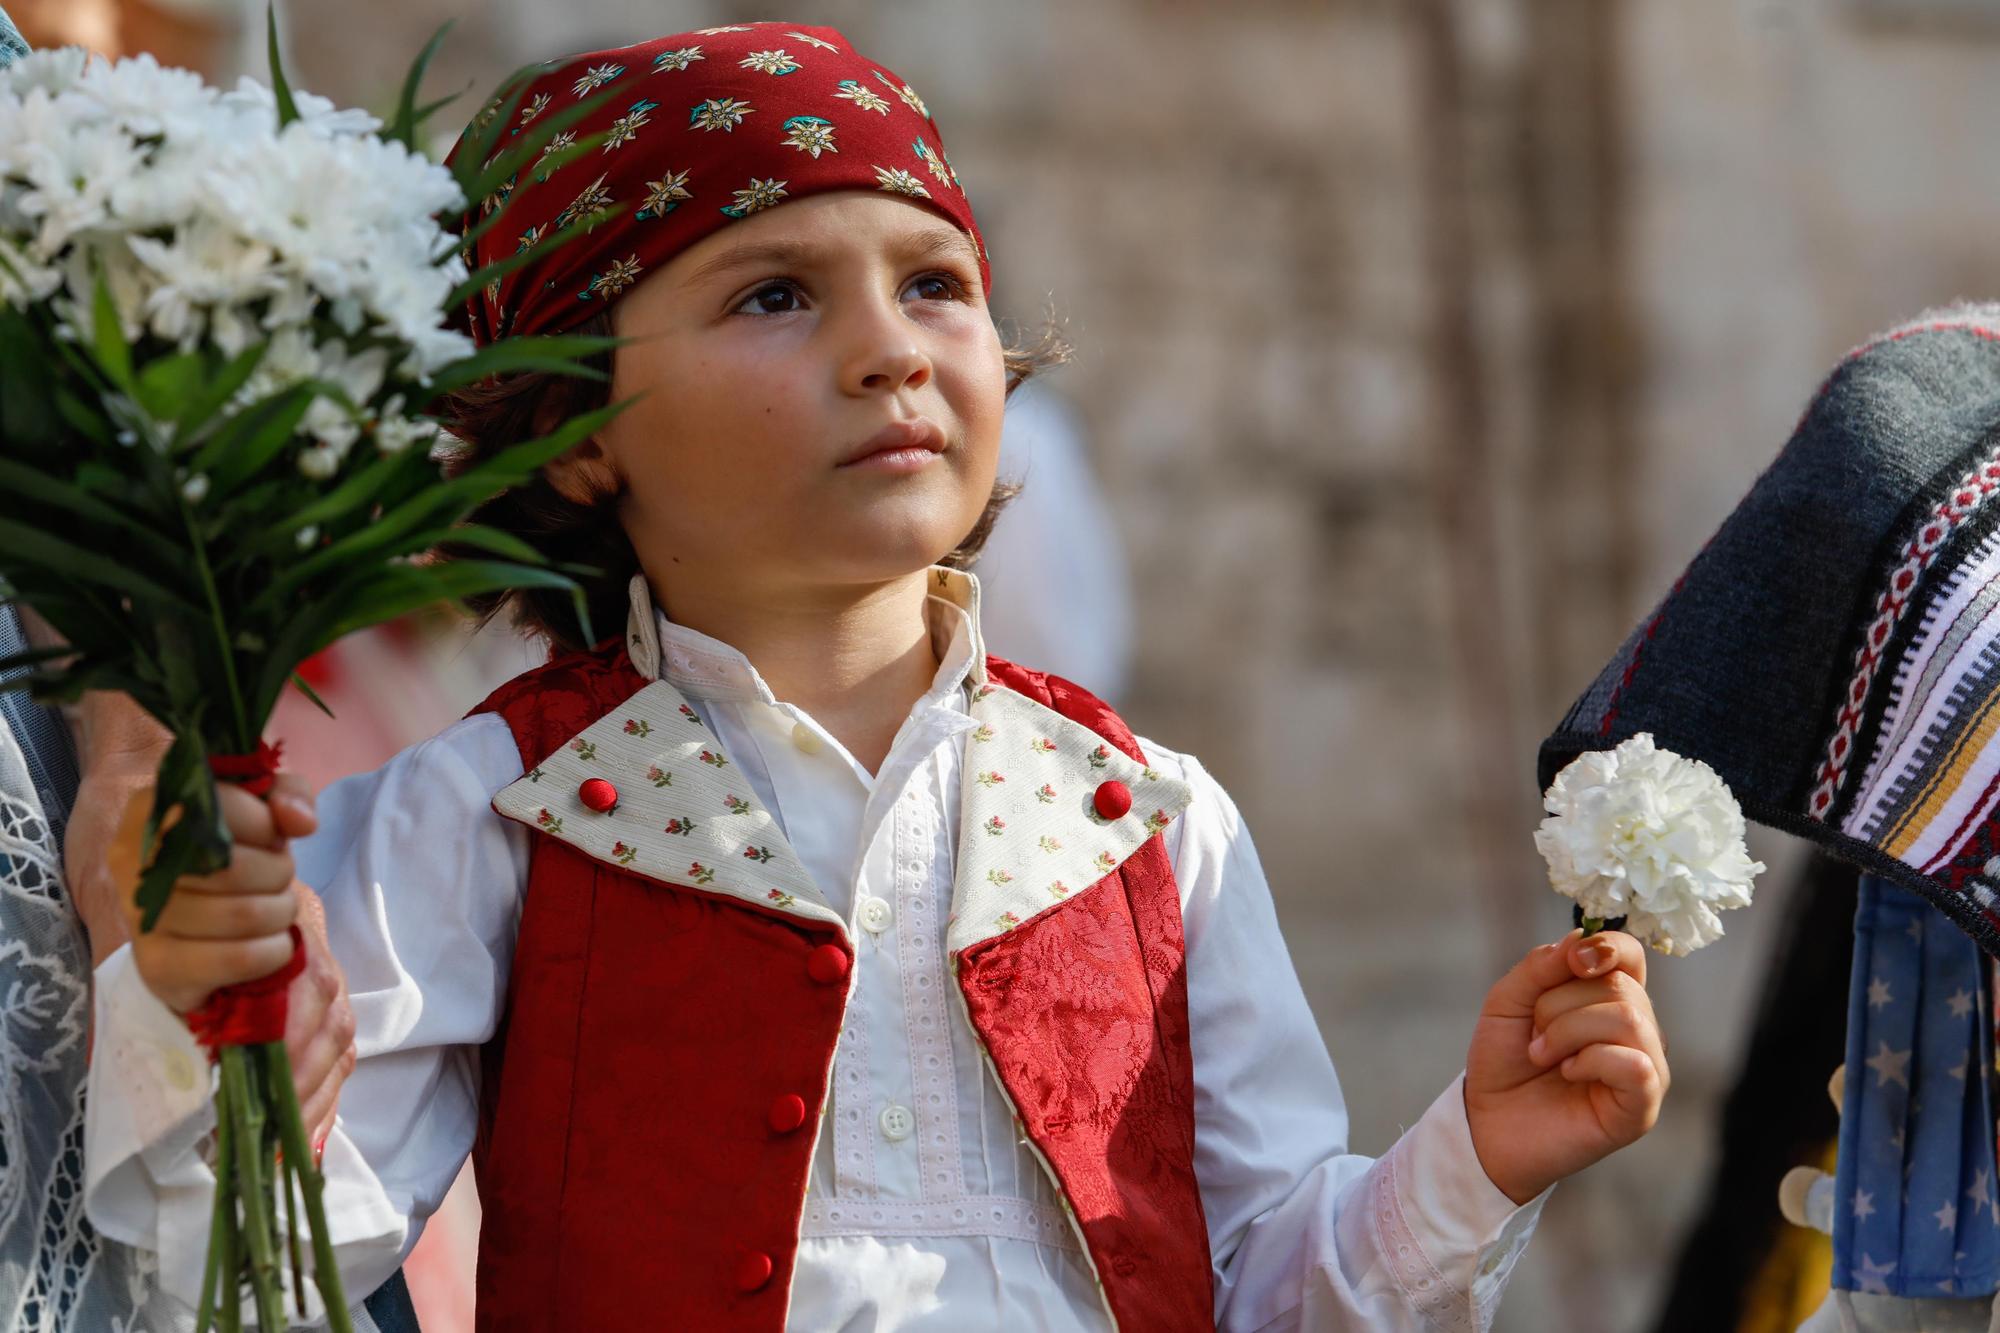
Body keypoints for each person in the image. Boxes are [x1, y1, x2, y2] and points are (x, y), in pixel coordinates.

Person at [81, 23, 1670, 1330]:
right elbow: (264, 1264)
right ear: (575, 441)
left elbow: (1261, 1281)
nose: (891, 347)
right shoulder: (494, 808)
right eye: (773, 294)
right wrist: (193, 1010)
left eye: (934, 283)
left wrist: (1475, 1159)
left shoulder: (1141, 819)